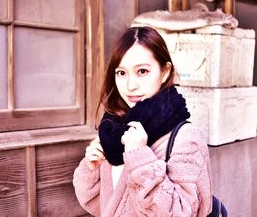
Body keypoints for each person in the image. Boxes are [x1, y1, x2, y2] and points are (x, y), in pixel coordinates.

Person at [73, 26, 212, 216]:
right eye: (122, 73)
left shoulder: (187, 139)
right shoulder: (114, 131)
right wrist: (91, 170)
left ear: (164, 72)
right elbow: (105, 206)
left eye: (142, 71)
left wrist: (141, 159)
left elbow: (183, 212)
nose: (130, 85)